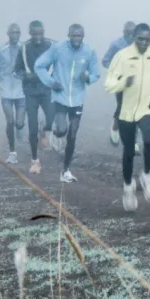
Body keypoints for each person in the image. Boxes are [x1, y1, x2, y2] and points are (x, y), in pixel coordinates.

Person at [104, 23, 150, 210]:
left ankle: (146, 175)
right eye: (140, 39)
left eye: (147, 39)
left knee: (149, 141)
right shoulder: (122, 56)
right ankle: (128, 187)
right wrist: (124, 82)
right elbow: (109, 84)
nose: (144, 43)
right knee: (129, 151)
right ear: (133, 38)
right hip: (126, 111)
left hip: (146, 109)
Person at [34, 24, 101, 183]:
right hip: (60, 97)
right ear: (69, 35)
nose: (76, 39)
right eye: (74, 36)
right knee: (62, 130)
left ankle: (66, 170)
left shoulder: (89, 51)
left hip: (78, 98)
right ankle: (49, 129)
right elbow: (39, 65)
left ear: (83, 36)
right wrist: (51, 82)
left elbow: (96, 73)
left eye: (79, 36)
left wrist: (88, 79)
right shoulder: (58, 48)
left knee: (72, 134)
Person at [14, 21, 55, 174]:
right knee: (32, 126)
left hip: (46, 90)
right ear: (30, 33)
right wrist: (26, 75)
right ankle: (35, 160)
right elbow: (16, 70)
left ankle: (44, 132)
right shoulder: (24, 48)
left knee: (51, 118)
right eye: (34, 34)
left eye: (40, 33)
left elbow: (59, 64)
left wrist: (53, 78)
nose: (37, 37)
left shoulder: (51, 46)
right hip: (30, 92)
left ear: (43, 32)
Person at [0, 23, 26, 164]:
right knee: (10, 121)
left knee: (19, 122)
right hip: (6, 90)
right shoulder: (0, 50)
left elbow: (32, 65)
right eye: (12, 32)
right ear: (8, 34)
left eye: (17, 32)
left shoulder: (25, 49)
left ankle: (20, 128)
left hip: (21, 90)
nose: (15, 35)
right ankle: (12, 152)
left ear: (20, 34)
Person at [103, 21, 136, 147]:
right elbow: (105, 61)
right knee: (122, 106)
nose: (131, 35)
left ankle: (133, 140)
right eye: (128, 32)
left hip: (136, 82)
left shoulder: (139, 44)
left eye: (133, 33)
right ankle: (115, 127)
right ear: (124, 32)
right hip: (121, 81)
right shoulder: (116, 44)